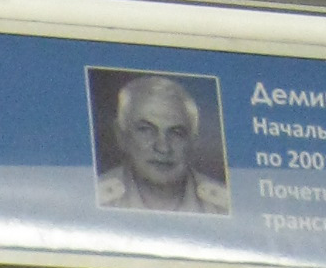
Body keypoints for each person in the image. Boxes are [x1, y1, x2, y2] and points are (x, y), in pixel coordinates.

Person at [97, 74, 230, 213]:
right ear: (121, 136)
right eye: (146, 130)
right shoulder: (93, 197)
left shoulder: (224, 206)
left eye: (176, 133)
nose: (163, 148)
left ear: (193, 141)